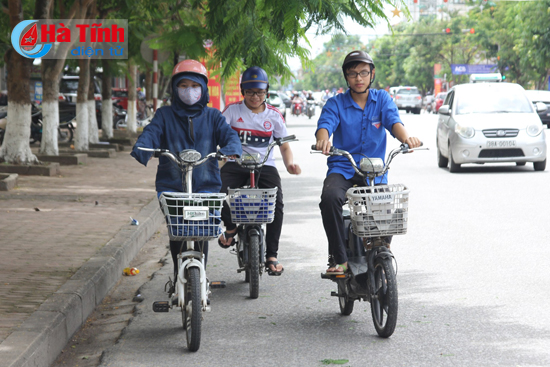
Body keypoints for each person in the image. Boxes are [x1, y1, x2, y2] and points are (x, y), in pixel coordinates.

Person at [130, 59, 242, 282]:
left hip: (206, 184)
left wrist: (231, 149)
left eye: (194, 86)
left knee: (202, 228)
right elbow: (150, 133)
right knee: (178, 229)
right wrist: (144, 146)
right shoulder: (164, 115)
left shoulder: (213, 116)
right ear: (175, 88)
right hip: (171, 186)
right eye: (183, 85)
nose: (189, 91)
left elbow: (229, 135)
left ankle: (201, 274)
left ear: (203, 88)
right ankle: (177, 270)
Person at [314, 50, 421, 275]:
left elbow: (394, 122)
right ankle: (340, 259)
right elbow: (325, 124)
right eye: (353, 74)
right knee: (329, 199)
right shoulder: (336, 103)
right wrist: (322, 140)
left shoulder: (381, 99)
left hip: (374, 173)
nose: (359, 78)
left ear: (372, 74)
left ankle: (379, 244)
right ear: (346, 77)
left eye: (363, 72)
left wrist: (406, 139)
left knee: (388, 205)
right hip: (343, 169)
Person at [218, 66, 301, 275]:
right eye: (250, 92)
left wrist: (289, 164)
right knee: (216, 191)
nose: (255, 97)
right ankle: (230, 227)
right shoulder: (232, 111)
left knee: (277, 202)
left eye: (260, 92)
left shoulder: (274, 115)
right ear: (242, 91)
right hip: (235, 163)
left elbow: (283, 145)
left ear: (266, 91)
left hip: (265, 164)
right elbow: (216, 133)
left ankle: (272, 254)